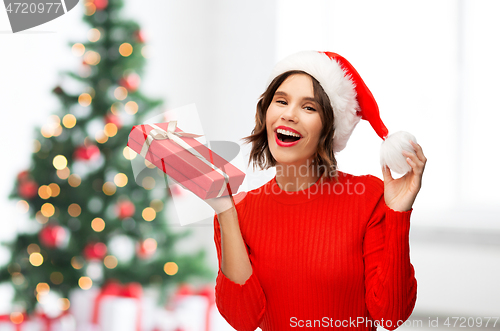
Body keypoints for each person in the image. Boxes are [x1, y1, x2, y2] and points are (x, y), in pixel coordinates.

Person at [205, 51, 427, 331]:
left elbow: (391, 315)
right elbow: (242, 320)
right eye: (281, 101)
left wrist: (397, 214)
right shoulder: (238, 211)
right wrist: (225, 211)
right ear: (266, 113)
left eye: (309, 108)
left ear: (328, 128)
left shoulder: (370, 197)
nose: (288, 114)